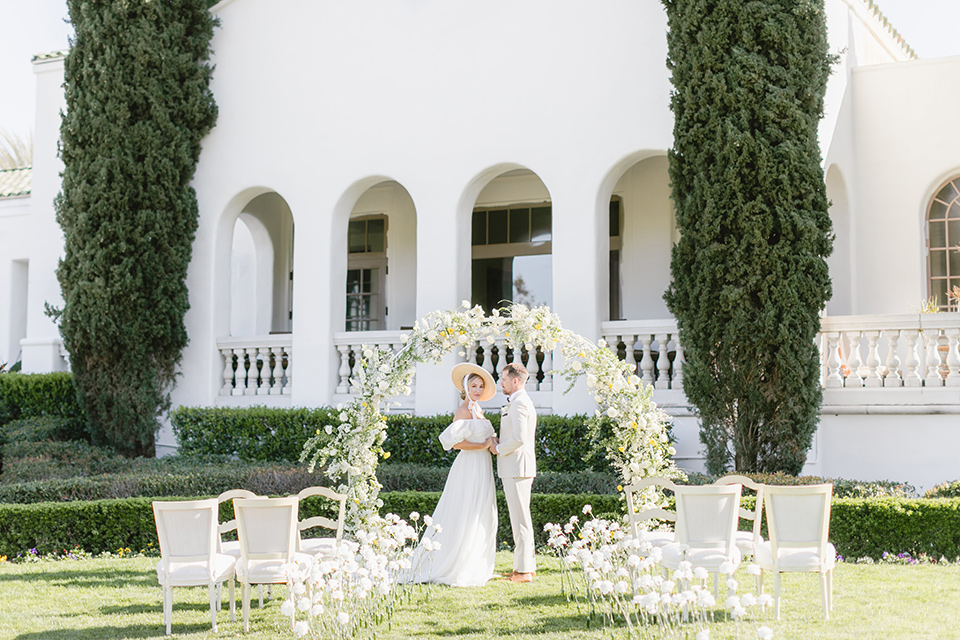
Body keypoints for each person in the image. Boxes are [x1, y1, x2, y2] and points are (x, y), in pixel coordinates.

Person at [404, 363, 498, 586]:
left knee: (482, 509)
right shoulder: (463, 411)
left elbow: (487, 439)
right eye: (473, 386)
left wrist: (494, 443)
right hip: (469, 466)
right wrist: (483, 445)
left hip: (483, 466)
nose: (477, 390)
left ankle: (475, 562)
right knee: (465, 508)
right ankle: (456, 564)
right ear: (465, 388)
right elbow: (456, 444)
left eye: (480, 386)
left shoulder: (480, 411)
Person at [490, 362, 538, 583]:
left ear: (515, 380)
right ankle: (525, 567)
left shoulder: (519, 403)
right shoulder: (519, 402)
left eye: (504, 379)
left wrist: (497, 448)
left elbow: (519, 438)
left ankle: (523, 571)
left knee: (520, 520)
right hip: (517, 467)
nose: (502, 383)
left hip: (517, 467)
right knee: (521, 518)